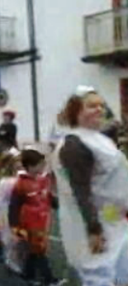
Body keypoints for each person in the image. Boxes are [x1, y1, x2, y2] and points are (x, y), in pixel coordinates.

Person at [53, 88, 128, 286]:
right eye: (92, 106)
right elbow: (80, 189)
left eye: (102, 105)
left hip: (115, 219)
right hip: (94, 224)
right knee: (99, 275)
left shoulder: (100, 139)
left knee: (121, 273)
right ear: (75, 111)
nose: (99, 110)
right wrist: (93, 229)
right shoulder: (74, 143)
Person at [9, 149, 62, 286]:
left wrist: (59, 206)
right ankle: (49, 279)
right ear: (31, 166)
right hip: (30, 223)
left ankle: (28, 275)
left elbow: (48, 197)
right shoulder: (21, 184)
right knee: (39, 250)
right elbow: (14, 206)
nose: (43, 167)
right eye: (40, 164)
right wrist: (14, 226)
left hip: (42, 221)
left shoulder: (42, 181)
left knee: (34, 251)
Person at [0, 154, 25, 274]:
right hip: (7, 211)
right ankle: (10, 261)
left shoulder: (23, 178)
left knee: (21, 237)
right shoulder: (5, 182)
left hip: (21, 210)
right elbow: (0, 200)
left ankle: (19, 259)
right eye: (17, 162)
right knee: (10, 238)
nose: (20, 165)